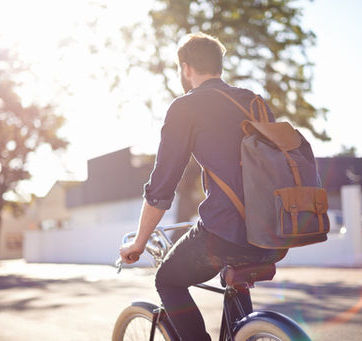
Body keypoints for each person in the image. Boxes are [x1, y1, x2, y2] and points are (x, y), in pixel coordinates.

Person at [120, 32, 288, 341]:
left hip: (227, 232)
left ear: (185, 68)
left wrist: (138, 243)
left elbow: (161, 188)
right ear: (219, 65)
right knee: (235, 285)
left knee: (168, 280)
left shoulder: (186, 108)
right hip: (273, 233)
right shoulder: (254, 101)